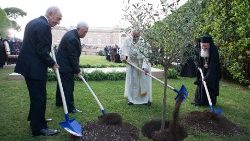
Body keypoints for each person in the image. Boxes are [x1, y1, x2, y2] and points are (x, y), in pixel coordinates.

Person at [14, 6, 62, 136]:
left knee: (36, 97)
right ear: (51, 14)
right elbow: (41, 50)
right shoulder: (44, 26)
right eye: (58, 19)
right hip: (34, 68)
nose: (58, 22)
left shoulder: (33, 22)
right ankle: (39, 128)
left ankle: (37, 119)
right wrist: (52, 63)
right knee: (39, 98)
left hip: (29, 66)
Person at [55, 21, 88, 113]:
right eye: (84, 31)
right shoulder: (72, 38)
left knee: (61, 84)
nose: (85, 33)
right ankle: (70, 108)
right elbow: (72, 56)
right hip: (65, 65)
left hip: (62, 64)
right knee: (68, 87)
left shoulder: (73, 35)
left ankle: (59, 102)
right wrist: (77, 70)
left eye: (86, 32)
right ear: (78, 29)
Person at [121, 30, 152, 105]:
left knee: (143, 82)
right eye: (133, 36)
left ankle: (145, 99)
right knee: (132, 81)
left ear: (139, 35)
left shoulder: (144, 42)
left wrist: (145, 67)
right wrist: (124, 56)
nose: (135, 38)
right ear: (132, 35)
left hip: (142, 64)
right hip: (132, 63)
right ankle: (131, 99)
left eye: (137, 36)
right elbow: (124, 50)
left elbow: (146, 55)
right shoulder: (127, 40)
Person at [192, 35, 221, 106]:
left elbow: (213, 65)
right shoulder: (201, 49)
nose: (204, 48)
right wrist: (198, 65)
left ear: (209, 44)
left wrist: (208, 76)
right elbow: (198, 59)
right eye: (202, 46)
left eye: (206, 46)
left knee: (209, 84)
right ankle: (200, 100)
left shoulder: (214, 50)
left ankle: (209, 102)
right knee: (201, 84)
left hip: (212, 72)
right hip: (203, 70)